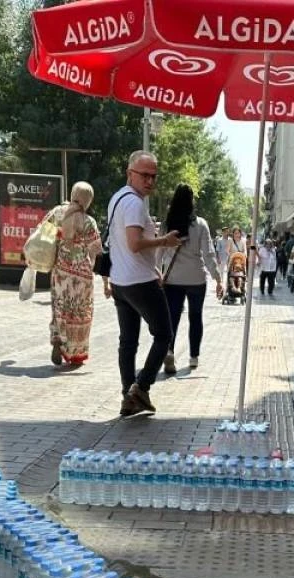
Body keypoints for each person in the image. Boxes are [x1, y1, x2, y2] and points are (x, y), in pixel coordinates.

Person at [108, 150, 181, 417]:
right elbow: (134, 244)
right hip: (139, 282)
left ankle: (129, 396)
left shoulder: (117, 198)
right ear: (130, 173)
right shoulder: (135, 204)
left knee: (128, 341)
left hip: (121, 282)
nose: (150, 181)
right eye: (144, 175)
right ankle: (141, 386)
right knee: (164, 334)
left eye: (153, 176)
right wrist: (165, 241)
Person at [161, 183, 222, 374]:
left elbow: (159, 251)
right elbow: (209, 254)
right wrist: (218, 278)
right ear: (192, 201)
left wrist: (155, 272)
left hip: (173, 280)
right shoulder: (201, 224)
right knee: (196, 317)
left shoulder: (166, 223)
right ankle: (194, 357)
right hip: (196, 279)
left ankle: (169, 351)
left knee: (172, 317)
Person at [45, 181, 102, 367]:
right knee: (79, 313)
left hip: (60, 272)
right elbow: (96, 249)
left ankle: (57, 339)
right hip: (82, 276)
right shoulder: (88, 222)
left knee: (59, 309)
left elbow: (43, 235)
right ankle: (76, 352)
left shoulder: (57, 213)